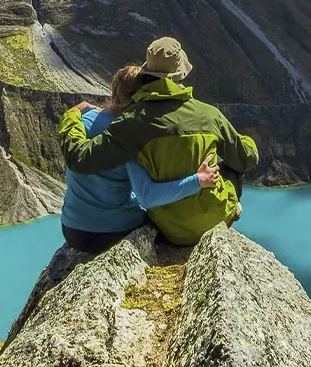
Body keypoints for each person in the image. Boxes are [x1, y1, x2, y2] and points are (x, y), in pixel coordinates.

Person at [59, 37, 260, 246]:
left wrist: (71, 115)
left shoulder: (132, 122)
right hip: (207, 217)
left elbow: (81, 158)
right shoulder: (210, 114)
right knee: (232, 166)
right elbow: (247, 158)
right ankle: (229, 212)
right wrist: (243, 141)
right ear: (180, 73)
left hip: (163, 226)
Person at [60, 64, 221, 254]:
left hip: (71, 230)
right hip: (109, 234)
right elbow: (147, 196)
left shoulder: (84, 117)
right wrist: (198, 180)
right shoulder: (130, 134)